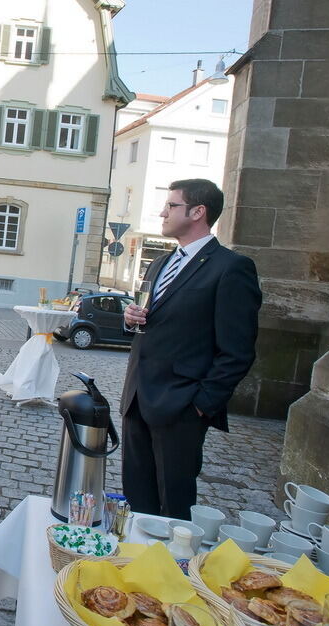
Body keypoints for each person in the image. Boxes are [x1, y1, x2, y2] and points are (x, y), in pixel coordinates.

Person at [121, 178, 261, 520]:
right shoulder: (160, 264)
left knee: (174, 504)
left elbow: (238, 350)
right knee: (137, 497)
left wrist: (200, 406)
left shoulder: (230, 268)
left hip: (180, 405)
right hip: (138, 397)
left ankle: (173, 569)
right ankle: (136, 564)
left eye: (171, 206)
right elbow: (151, 323)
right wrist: (131, 318)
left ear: (198, 212)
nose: (162, 212)